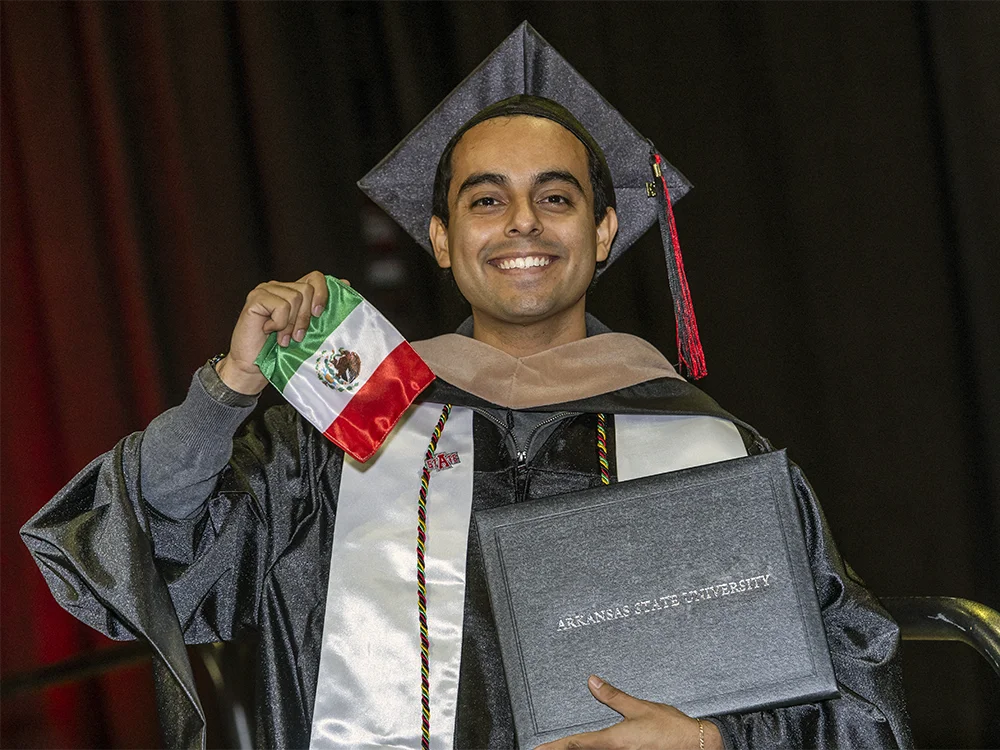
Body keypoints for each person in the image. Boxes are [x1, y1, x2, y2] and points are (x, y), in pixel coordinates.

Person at [22, 23, 912, 750]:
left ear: (604, 231)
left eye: (555, 198)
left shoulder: (712, 448)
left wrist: (719, 746)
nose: (521, 223)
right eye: (486, 201)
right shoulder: (340, 438)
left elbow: (851, 689)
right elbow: (147, 550)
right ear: (442, 240)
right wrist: (230, 388)